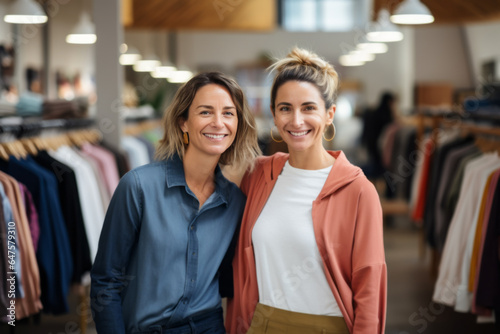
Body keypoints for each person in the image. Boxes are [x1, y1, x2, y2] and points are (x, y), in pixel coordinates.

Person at [226, 48, 387, 334]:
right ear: (274, 115)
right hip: (261, 325)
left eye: (309, 108)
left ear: (329, 115)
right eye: (285, 108)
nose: (296, 121)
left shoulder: (358, 191)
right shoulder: (258, 175)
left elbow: (369, 287)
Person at [90, 71, 261, 334]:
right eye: (205, 112)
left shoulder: (235, 202)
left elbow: (228, 281)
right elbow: (106, 282)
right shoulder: (138, 187)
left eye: (228, 113)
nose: (218, 122)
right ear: (183, 122)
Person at [360, 91, 396, 179]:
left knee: (375, 166)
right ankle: (357, 173)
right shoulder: (385, 114)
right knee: (377, 168)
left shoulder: (376, 111)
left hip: (372, 144)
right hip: (379, 146)